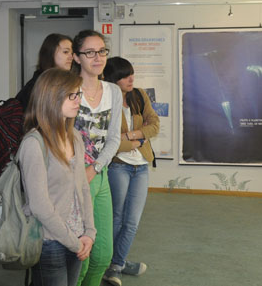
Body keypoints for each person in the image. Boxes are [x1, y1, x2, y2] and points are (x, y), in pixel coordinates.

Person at [19, 68, 96, 286]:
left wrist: (89, 233)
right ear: (51, 97)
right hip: (49, 241)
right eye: (71, 95)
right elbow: (39, 205)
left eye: (78, 94)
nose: (78, 100)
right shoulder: (34, 144)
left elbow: (83, 188)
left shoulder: (74, 137)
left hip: (78, 237)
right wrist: (73, 242)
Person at [102, 57, 160, 286]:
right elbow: (109, 142)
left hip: (141, 166)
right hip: (118, 165)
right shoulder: (106, 100)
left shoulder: (139, 95)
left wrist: (130, 136)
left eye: (132, 74)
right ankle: (106, 264)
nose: (131, 79)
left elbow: (154, 124)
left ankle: (117, 264)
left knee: (132, 221)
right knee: (115, 219)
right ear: (113, 79)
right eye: (125, 76)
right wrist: (137, 139)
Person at [71, 30, 122, 286]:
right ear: (77, 57)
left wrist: (96, 167)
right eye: (89, 52)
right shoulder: (68, 89)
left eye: (101, 51)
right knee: (80, 255)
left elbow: (114, 138)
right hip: (72, 176)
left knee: (103, 256)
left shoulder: (114, 91)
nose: (97, 57)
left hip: (99, 175)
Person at [16, 33, 73, 111]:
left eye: (72, 53)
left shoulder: (64, 82)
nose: (71, 57)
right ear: (50, 53)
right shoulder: (36, 86)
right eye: (66, 52)